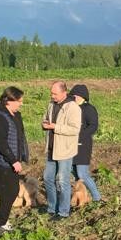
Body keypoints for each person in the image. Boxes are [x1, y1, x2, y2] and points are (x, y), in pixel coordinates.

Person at [0, 86, 29, 232]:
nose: (21, 104)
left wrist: (22, 155)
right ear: (9, 100)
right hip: (1, 162)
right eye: (19, 101)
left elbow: (19, 136)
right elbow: (1, 142)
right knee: (9, 191)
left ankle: (1, 221)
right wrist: (13, 160)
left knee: (10, 191)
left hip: (11, 160)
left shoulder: (16, 115)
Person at [42, 80, 82, 220]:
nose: (52, 96)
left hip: (65, 150)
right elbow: (46, 119)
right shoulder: (51, 105)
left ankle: (64, 212)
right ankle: (52, 208)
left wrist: (55, 127)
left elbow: (75, 129)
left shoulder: (73, 108)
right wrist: (45, 124)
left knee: (62, 180)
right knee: (47, 178)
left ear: (64, 92)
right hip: (51, 149)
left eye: (55, 93)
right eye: (51, 93)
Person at [69, 84, 102, 203]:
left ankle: (97, 198)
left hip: (83, 146)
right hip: (71, 145)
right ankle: (83, 197)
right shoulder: (71, 108)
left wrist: (80, 136)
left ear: (81, 96)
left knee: (82, 173)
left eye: (75, 96)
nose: (73, 98)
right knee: (73, 171)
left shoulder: (89, 109)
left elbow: (93, 126)